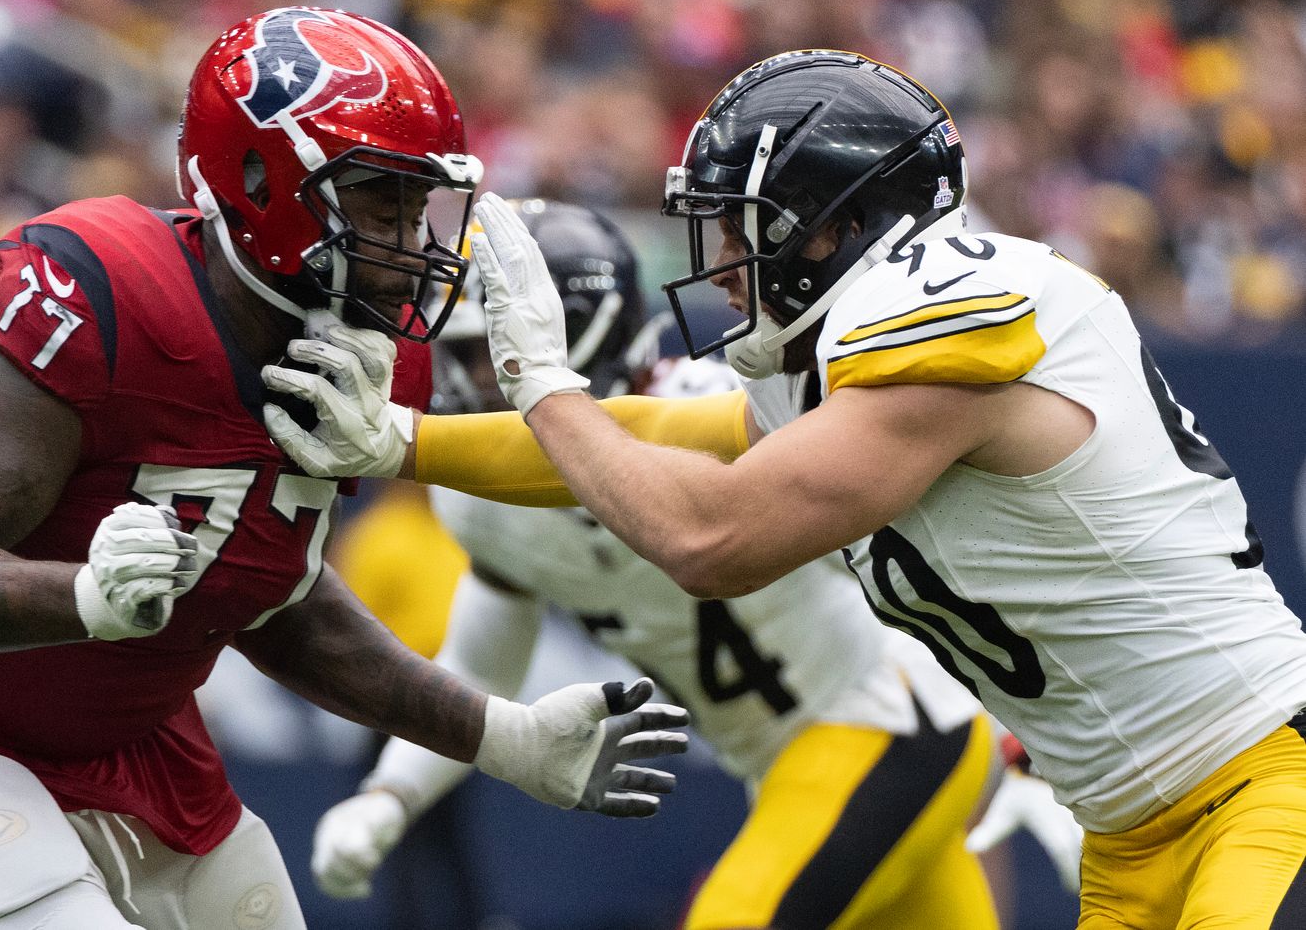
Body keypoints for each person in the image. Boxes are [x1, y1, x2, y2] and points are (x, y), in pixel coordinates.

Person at [269, 52, 1306, 928]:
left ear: (830, 227)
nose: (721, 264)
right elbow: (658, 432)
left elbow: (711, 535)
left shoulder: (942, 322)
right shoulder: (834, 368)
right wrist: (404, 441)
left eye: (738, 226)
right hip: (1129, 834)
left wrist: (543, 384)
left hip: (1260, 784)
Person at [0, 7, 687, 930]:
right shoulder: (100, 285)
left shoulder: (372, 351)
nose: (410, 237)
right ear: (261, 176)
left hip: (138, 750)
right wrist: (81, 598)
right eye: (378, 197)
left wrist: (499, 738)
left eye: (417, 199)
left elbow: (275, 596)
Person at [311, 198, 1080, 929]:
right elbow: (482, 665)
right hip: (786, 772)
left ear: (577, 337)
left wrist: (1028, 723)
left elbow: (910, 566)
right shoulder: (484, 506)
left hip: (885, 729)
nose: (463, 383)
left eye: (489, 352)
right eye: (459, 354)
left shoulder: (711, 410)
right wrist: (390, 794)